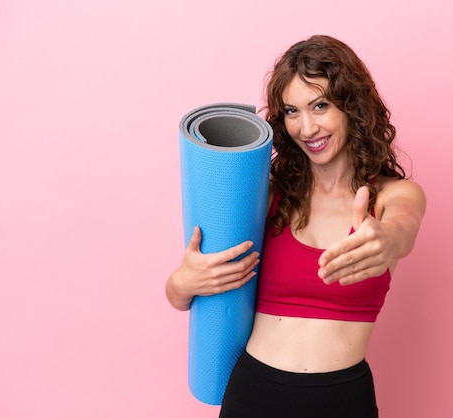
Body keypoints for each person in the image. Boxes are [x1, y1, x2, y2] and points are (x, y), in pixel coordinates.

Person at [166, 34, 426, 417]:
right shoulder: (265, 197)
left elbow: (404, 227)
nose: (307, 128)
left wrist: (389, 238)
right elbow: (182, 294)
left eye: (320, 105)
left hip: (342, 399)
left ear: (352, 106)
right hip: (253, 394)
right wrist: (182, 283)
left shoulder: (391, 196)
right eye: (291, 111)